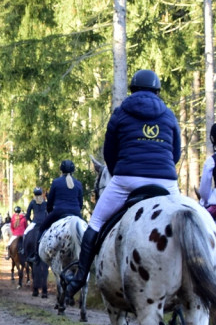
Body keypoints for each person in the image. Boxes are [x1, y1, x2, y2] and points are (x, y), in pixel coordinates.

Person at [60, 68, 181, 299]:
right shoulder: (168, 114)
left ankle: (79, 278)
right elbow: (175, 153)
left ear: (133, 89)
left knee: (95, 222)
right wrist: (161, 170)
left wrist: (118, 173)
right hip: (166, 182)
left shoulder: (120, 112)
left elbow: (110, 153)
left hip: (127, 178)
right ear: (157, 90)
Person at [35, 159, 84, 240]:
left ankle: (36, 252)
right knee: (87, 231)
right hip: (75, 212)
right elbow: (80, 203)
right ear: (73, 171)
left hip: (58, 212)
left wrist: (50, 210)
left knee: (42, 228)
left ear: (61, 170)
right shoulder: (78, 184)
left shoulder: (56, 182)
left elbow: (50, 202)